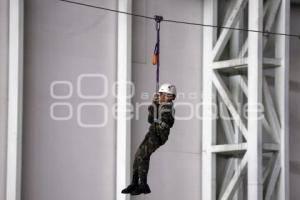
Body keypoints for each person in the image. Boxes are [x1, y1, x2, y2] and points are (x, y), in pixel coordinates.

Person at [121, 83, 176, 195]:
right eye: (160, 94)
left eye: (162, 95)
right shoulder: (160, 105)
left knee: (143, 156)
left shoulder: (168, 108)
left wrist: (157, 114)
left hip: (158, 136)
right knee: (138, 156)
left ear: (169, 96)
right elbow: (150, 120)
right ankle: (135, 182)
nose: (160, 96)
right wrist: (153, 105)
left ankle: (143, 185)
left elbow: (167, 123)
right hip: (152, 133)